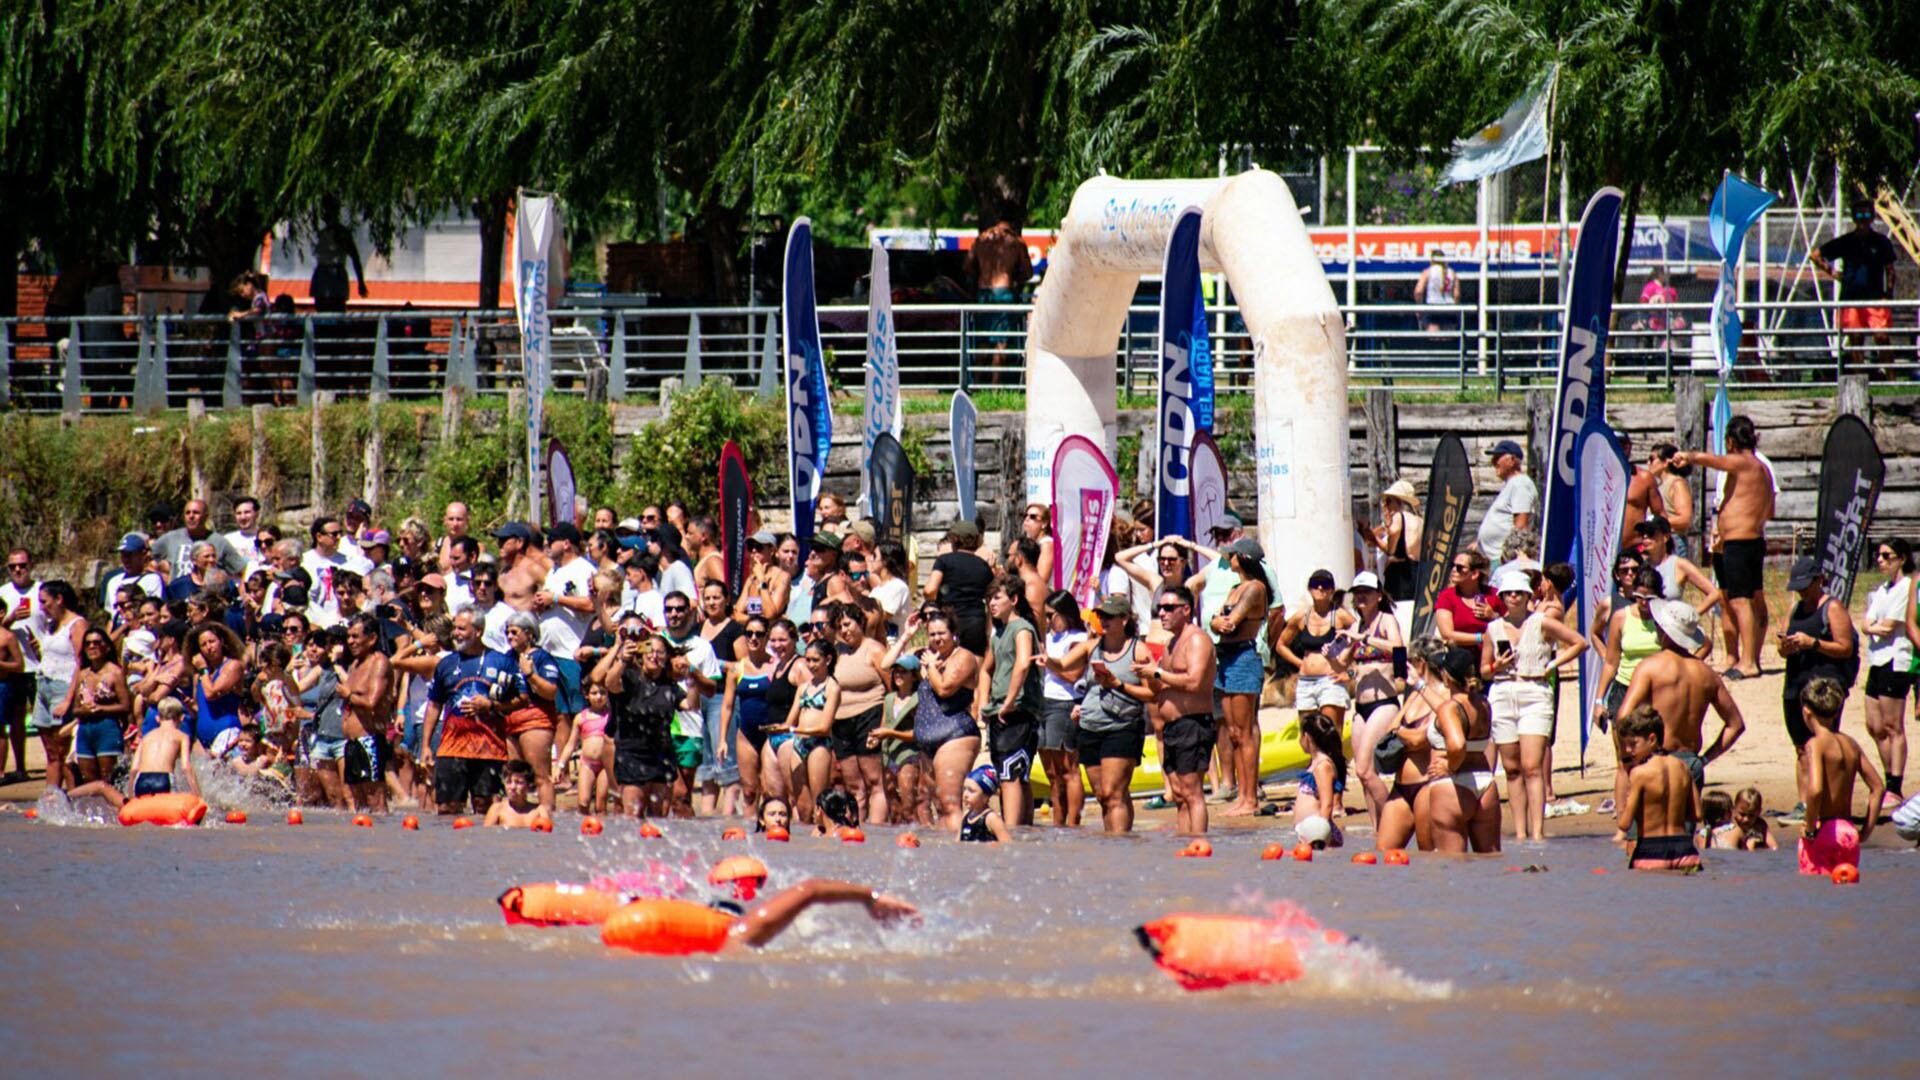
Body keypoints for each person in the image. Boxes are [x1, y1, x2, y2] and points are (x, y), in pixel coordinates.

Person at [1613, 599, 1745, 834]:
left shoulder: (1650, 667)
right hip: (1690, 763)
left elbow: (1623, 717)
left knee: (1640, 840)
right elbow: (1736, 725)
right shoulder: (1706, 673)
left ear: (1664, 631)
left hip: (1655, 760)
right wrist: (1704, 759)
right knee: (1682, 840)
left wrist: (1629, 757)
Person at [1480, 569, 1586, 841]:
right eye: (1508, 593)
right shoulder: (1493, 628)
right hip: (1503, 691)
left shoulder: (1541, 621)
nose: (1514, 597)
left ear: (1528, 595)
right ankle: (1520, 832)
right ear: (1502, 596)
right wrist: (1496, 665)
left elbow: (1579, 642)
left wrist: (1552, 664)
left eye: (1519, 592)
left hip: (1535, 691)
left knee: (1531, 766)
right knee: (1512, 768)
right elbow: (1483, 671)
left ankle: (1537, 832)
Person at [1672, 417, 1773, 679]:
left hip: (1740, 543)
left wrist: (1689, 456)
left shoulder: (1742, 462)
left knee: (1740, 601)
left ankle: (1748, 662)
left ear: (1730, 440)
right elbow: (1770, 510)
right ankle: (1748, 658)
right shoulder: (1763, 469)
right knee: (1744, 599)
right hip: (1748, 540)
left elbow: (1715, 461)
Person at [881, 608, 980, 832]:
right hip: (928, 741)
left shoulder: (962, 657)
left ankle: (961, 846)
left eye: (942, 633)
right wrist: (906, 636)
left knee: (950, 803)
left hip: (955, 735)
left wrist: (931, 666)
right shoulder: (928, 656)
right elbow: (886, 665)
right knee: (937, 806)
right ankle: (945, 849)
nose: (937, 638)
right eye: (932, 634)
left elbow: (944, 688)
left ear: (954, 633)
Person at [1778, 556, 1859, 813]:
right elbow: (1781, 647)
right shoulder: (1795, 608)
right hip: (1795, 684)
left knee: (1823, 745)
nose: (1801, 592)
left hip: (1823, 687)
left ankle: (1825, 802)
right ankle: (1804, 804)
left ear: (1818, 581)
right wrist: (1786, 646)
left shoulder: (1832, 608)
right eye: (1798, 587)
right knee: (1802, 748)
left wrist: (1813, 643)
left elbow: (1845, 648)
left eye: (1805, 586)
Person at [420, 608, 516, 816]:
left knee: (487, 808)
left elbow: (521, 701)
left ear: (478, 631)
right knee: (447, 809)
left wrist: (491, 705)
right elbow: (434, 704)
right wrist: (426, 745)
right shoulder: (446, 664)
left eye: (462, 629)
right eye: (455, 628)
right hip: (451, 747)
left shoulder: (501, 662)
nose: (455, 633)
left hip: (489, 748)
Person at [1140, 585, 1216, 835]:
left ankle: (1199, 843)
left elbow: (1194, 681)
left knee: (1192, 792)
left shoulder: (1196, 639)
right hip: (1172, 726)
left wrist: (1158, 673)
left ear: (1185, 610)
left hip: (1192, 723)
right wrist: (1147, 672)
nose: (1162, 613)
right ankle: (1184, 843)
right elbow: (1160, 686)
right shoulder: (1171, 642)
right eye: (1159, 608)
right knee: (1179, 794)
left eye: (1168, 608)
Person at [1077, 595, 1152, 833]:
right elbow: (1064, 666)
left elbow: (1152, 694)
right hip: (1090, 725)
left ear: (1124, 619)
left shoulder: (1138, 649)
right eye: (1101, 616)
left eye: (1109, 616)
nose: (1104, 620)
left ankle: (1119, 842)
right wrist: (1049, 662)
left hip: (1123, 726)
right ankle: (1114, 841)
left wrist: (1118, 684)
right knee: (1103, 795)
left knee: (1113, 793)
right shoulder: (1093, 646)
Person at [1210, 538, 1272, 817]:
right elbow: (1216, 621)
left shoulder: (1255, 588)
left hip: (1243, 658)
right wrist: (1216, 621)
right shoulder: (1235, 588)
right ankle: (1242, 794)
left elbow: (1230, 622)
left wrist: (1218, 621)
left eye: (1233, 555)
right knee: (1233, 732)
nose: (1229, 559)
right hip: (1226, 657)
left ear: (1244, 558)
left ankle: (1250, 798)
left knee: (1244, 732)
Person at [1796, 676, 1883, 875]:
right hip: (1848, 832)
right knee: (1846, 884)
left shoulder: (1815, 744)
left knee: (1816, 888)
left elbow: (1816, 790)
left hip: (1825, 831)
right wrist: (1865, 832)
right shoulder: (1851, 744)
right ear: (1836, 712)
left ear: (1806, 711)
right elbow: (1878, 787)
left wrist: (1810, 829)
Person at [1421, 644, 1501, 853]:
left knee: (1452, 865)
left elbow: (1458, 745)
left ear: (1446, 677)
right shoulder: (1484, 704)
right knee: (1491, 860)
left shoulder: (1450, 708)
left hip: (1452, 787)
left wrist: (1450, 766)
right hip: (1485, 783)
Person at [979, 577, 1043, 827]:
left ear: (1014, 600)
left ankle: (1011, 832)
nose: (991, 603)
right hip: (999, 710)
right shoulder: (999, 633)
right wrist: (983, 703)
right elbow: (986, 669)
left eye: (997, 598)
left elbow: (1023, 663)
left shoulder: (1022, 628)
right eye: (989, 599)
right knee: (1014, 773)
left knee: (1011, 773)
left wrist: (1009, 700)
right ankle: (1023, 831)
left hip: (1018, 710)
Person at [596, 627, 679, 818]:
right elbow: (609, 683)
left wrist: (692, 675)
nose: (654, 656)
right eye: (650, 650)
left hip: (661, 755)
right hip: (632, 754)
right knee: (633, 815)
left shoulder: (669, 684)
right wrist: (622, 659)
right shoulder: (629, 677)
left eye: (660, 652)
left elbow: (691, 705)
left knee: (660, 818)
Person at [1346, 571, 1407, 829]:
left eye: (1366, 592)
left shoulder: (1386, 620)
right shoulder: (1356, 625)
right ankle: (1377, 830)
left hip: (1384, 702)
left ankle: (1395, 822)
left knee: (1365, 770)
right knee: (1364, 775)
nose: (1361, 596)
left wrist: (1366, 639)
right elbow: (1344, 665)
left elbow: (1399, 648)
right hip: (1361, 705)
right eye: (1357, 592)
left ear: (1378, 596)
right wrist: (1334, 654)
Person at [67, 698, 200, 809]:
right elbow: (186, 767)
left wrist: (131, 796)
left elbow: (134, 769)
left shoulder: (146, 737)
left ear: (157, 718)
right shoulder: (182, 736)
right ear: (182, 718)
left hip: (141, 781)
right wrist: (198, 796)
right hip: (164, 780)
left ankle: (67, 796)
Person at [1615, 705, 1703, 871]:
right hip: (1685, 851)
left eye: (1633, 744)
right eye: (1626, 745)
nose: (1628, 750)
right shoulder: (1683, 767)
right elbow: (1697, 815)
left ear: (1652, 739)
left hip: (1651, 852)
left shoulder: (1639, 773)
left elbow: (1625, 824)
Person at [1861, 539, 1912, 810]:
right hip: (1876, 659)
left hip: (1896, 660)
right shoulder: (1882, 589)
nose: (1880, 560)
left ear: (1901, 558)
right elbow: (1867, 623)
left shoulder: (1907, 588)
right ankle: (1888, 776)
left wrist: (1872, 627)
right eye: (1878, 556)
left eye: (1886, 555)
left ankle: (1895, 785)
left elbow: (1889, 626)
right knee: (1874, 725)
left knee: (1893, 726)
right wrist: (1871, 627)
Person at [1813, 205, 1898, 363]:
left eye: (1866, 215)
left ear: (1872, 217)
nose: (1863, 220)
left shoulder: (1881, 242)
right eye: (1859, 215)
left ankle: (1891, 376)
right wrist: (1833, 273)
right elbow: (1815, 255)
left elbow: (1890, 270)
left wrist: (1889, 294)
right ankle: (1861, 372)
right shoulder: (1846, 241)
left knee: (1882, 337)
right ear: (1853, 218)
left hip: (1875, 297)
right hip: (1851, 298)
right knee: (1856, 338)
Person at [1035, 590, 1091, 827]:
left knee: (1069, 769)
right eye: (1045, 616)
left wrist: (1050, 664)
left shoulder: (1078, 639)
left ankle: (1073, 822)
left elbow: (1074, 674)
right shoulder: (1048, 638)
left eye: (1051, 616)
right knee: (1052, 773)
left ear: (1064, 614)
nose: (1048, 621)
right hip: (1043, 701)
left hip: (1065, 702)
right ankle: (1058, 823)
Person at [495, 610, 560, 813]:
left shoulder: (542, 657)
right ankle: (517, 819)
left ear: (529, 633)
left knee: (540, 776)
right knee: (513, 777)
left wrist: (530, 674)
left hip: (535, 719)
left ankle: (547, 817)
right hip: (510, 719)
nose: (510, 636)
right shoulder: (507, 658)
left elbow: (551, 692)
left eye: (514, 632)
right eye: (507, 632)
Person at [1276, 568, 1356, 728]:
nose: (1320, 588)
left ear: (1332, 590)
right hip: (1305, 683)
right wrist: (1300, 663)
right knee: (1308, 735)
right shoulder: (1301, 616)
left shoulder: (1340, 615)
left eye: (1325, 584)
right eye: (1316, 584)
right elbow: (1281, 645)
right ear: (1309, 588)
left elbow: (1360, 639)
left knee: (1331, 731)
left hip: (1330, 680)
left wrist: (1349, 671)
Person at [57, 627, 130, 794]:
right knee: (88, 779)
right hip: (85, 729)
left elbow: (125, 706)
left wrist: (101, 708)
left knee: (108, 779)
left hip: (107, 728)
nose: (92, 647)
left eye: (97, 643)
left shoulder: (115, 673)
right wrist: (84, 710)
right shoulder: (82, 675)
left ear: (107, 647)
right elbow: (75, 709)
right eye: (88, 644)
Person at [28, 581, 86, 792]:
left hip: (63, 686)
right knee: (52, 752)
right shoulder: (51, 625)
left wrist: (69, 699)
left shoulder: (77, 625)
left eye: (45, 602)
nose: (42, 607)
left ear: (59, 599)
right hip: (44, 684)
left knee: (63, 752)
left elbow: (80, 662)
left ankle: (73, 796)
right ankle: (51, 798)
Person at [722, 614, 780, 817]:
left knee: (770, 789)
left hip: (770, 733)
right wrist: (722, 740)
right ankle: (749, 830)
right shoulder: (737, 669)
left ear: (767, 637)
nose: (753, 638)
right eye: (749, 634)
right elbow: (727, 706)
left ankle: (774, 828)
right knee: (748, 791)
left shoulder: (775, 666)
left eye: (759, 634)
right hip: (746, 734)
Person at [964, 220, 1033, 378]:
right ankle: (996, 385)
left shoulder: (981, 240)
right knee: (1001, 341)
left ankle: (975, 382)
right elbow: (1028, 273)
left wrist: (982, 273)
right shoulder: (1016, 242)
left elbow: (967, 266)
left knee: (983, 339)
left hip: (984, 293)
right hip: (1005, 292)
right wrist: (1014, 275)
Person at [868, 652, 928, 826]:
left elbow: (919, 733)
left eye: (904, 671)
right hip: (888, 755)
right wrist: (874, 739)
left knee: (909, 807)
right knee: (894, 809)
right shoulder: (888, 699)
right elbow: (884, 725)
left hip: (909, 754)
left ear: (914, 676)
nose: (898, 675)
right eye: (896, 671)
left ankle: (915, 838)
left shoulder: (919, 700)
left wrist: (890, 734)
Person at [924, 519, 994, 655]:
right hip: (976, 623)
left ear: (954, 539)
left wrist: (936, 603)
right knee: (975, 662)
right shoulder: (984, 566)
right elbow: (991, 598)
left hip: (950, 622)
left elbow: (930, 590)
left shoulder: (944, 560)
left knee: (948, 661)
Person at [1634, 514, 1720, 612]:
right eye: (1643, 533)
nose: (1645, 537)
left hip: (1671, 620)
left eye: (1651, 533)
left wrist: (1692, 615)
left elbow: (1714, 593)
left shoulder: (1679, 564)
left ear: (1666, 537)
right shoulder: (1639, 566)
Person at [1359, 480, 1423, 602]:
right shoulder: (1420, 521)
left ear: (1399, 501)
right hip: (1417, 574)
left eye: (1389, 501)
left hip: (1401, 578)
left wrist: (1382, 542)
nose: (1386, 506)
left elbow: (1392, 543)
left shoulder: (1399, 516)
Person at [1292, 708, 1347, 847]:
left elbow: (1327, 804)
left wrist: (1319, 837)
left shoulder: (1323, 766)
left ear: (1307, 737)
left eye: (1300, 735)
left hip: (1319, 835)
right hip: (1310, 834)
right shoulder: (1314, 764)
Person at [153, 498, 246, 578]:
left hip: (207, 592)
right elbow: (148, 557)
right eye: (187, 513)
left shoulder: (219, 542)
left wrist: (225, 579)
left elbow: (243, 570)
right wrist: (161, 574)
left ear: (206, 517)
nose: (191, 516)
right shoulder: (171, 538)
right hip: (178, 591)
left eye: (196, 513)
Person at [1475, 439, 1536, 559]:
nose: (1493, 462)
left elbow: (1521, 526)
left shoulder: (1520, 483)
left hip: (1503, 559)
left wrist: (1509, 558)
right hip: (1493, 558)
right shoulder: (1511, 485)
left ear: (1512, 460)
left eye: (1497, 458)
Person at [1433, 550, 1504, 649]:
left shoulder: (1494, 594)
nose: (1454, 570)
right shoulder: (1447, 596)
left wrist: (1494, 616)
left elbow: (1514, 624)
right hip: (1460, 654)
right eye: (1452, 566)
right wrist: (1482, 638)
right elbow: (1447, 635)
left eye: (1459, 568)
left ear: (1474, 574)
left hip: (1492, 653)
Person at [734, 531, 793, 627]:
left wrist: (762, 580)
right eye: (750, 547)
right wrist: (755, 621)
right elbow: (737, 614)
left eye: (758, 547)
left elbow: (770, 614)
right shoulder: (751, 579)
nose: (753, 551)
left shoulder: (782, 577)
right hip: (753, 632)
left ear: (772, 551)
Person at [1647, 445, 1695, 552]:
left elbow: (1684, 519)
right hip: (1658, 542)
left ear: (1665, 462)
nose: (1648, 463)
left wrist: (1653, 520)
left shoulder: (1677, 483)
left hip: (1673, 541)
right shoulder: (1659, 486)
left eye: (1652, 459)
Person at [484, 760, 555, 830]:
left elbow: (547, 834)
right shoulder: (497, 809)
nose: (513, 787)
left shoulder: (539, 811)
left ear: (529, 786)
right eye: (508, 782)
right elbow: (486, 835)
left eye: (518, 782)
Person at [956, 765, 1014, 842]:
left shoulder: (991, 819)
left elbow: (1007, 843)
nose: (965, 795)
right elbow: (957, 843)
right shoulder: (965, 816)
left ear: (985, 797)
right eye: (964, 789)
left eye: (971, 791)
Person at [1414, 252, 1458, 333]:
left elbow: (1418, 291)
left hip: (1433, 307)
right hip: (1449, 308)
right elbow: (1456, 295)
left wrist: (1419, 307)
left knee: (1434, 337)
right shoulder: (1452, 273)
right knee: (1448, 337)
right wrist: (1455, 308)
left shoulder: (1428, 272)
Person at [1727, 787, 1777, 851]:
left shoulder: (1760, 825)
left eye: (1751, 815)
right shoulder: (1732, 826)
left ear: (1759, 812)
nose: (1746, 819)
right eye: (1742, 814)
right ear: (1734, 810)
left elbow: (1774, 847)